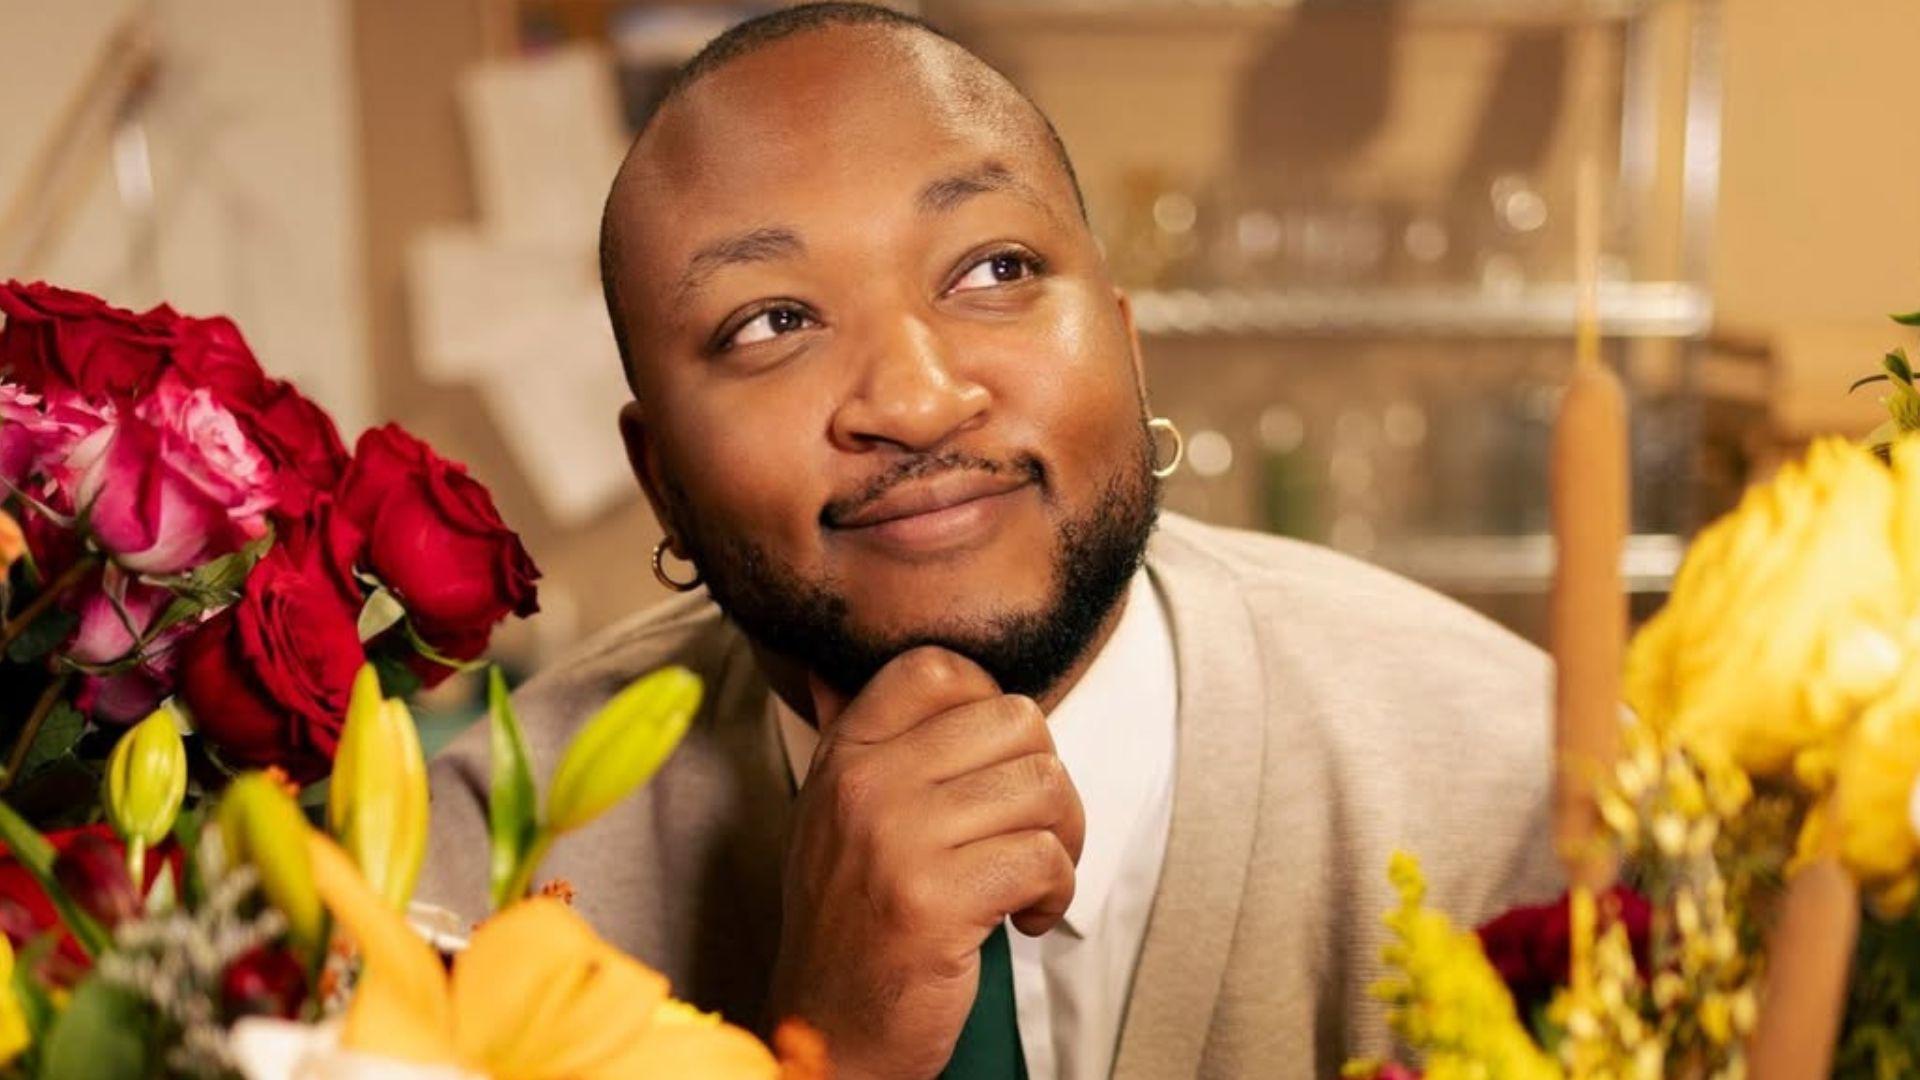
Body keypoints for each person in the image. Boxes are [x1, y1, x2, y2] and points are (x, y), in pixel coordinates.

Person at [418, 5, 1559, 1077]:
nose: (914, 402)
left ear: (1127, 347)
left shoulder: (1523, 795)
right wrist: (826, 1056)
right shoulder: (483, 874)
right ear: (660, 476)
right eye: (771, 322)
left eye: (994, 270)